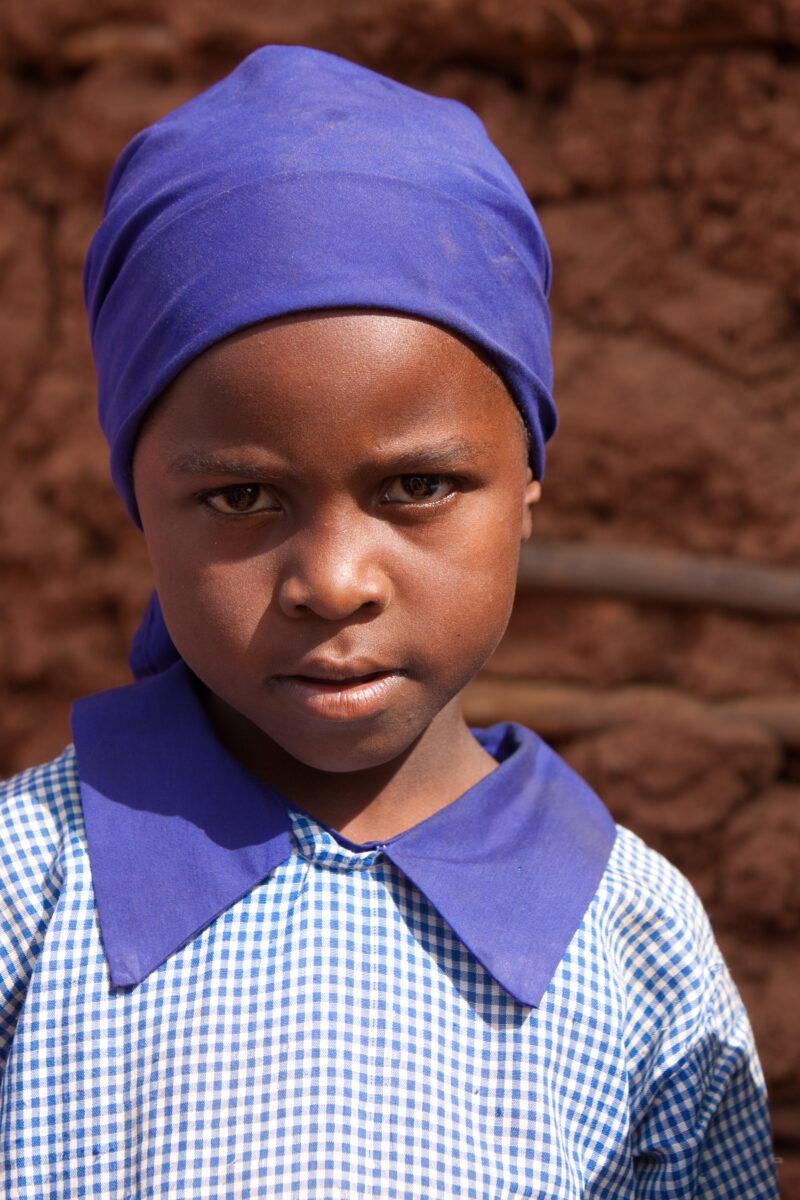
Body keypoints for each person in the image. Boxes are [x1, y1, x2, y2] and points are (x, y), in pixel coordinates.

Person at [0, 45, 778, 1199]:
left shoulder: (629, 937)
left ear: (525, 484)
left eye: (414, 488)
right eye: (240, 498)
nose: (332, 579)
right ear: (136, 500)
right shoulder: (28, 885)